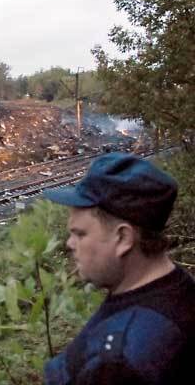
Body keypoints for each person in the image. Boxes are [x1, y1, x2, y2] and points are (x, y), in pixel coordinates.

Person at [42, 152, 195, 384]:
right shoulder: (178, 288)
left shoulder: (119, 362)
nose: (69, 244)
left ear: (123, 238)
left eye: (80, 234)